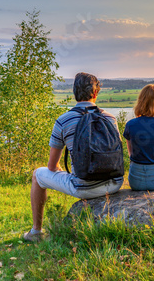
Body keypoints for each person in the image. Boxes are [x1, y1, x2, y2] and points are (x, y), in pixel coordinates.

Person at [23, 72, 123, 242]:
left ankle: (36, 232)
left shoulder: (64, 120)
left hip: (83, 187)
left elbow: (52, 166)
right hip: (114, 184)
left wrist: (61, 171)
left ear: (75, 92)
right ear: (96, 93)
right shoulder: (110, 118)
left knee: (37, 174)